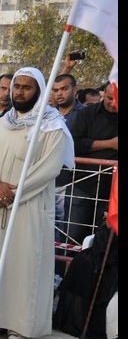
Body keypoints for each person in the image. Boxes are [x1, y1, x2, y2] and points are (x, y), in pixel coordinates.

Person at [0, 67, 73, 339]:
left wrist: (11, 193)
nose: (19, 92)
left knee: (24, 266)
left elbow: (49, 169)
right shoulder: (1, 124)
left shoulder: (51, 126)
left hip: (28, 206)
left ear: (38, 91)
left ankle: (19, 328)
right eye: (16, 86)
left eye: (27, 87)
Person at [65, 81, 118, 247]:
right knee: (72, 237)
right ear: (103, 94)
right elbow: (74, 144)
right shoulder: (86, 114)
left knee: (103, 242)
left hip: (113, 193)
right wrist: (110, 144)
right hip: (83, 186)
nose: (113, 103)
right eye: (109, 98)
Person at [51, 73, 84, 242]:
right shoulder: (48, 113)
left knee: (66, 230)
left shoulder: (84, 114)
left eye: (64, 89)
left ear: (74, 90)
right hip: (47, 179)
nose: (59, 93)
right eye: (55, 90)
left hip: (73, 182)